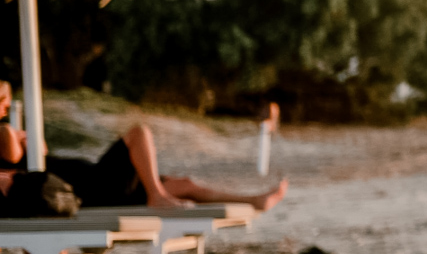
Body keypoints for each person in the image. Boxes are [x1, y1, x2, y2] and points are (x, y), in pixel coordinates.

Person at [0, 82, 287, 211]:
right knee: (139, 133)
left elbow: (36, 153)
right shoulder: (3, 134)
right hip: (91, 186)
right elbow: (12, 153)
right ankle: (156, 195)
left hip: (94, 184)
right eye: (2, 99)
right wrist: (18, 135)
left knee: (185, 184)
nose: (7, 105)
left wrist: (30, 140)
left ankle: (253, 200)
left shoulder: (8, 133)